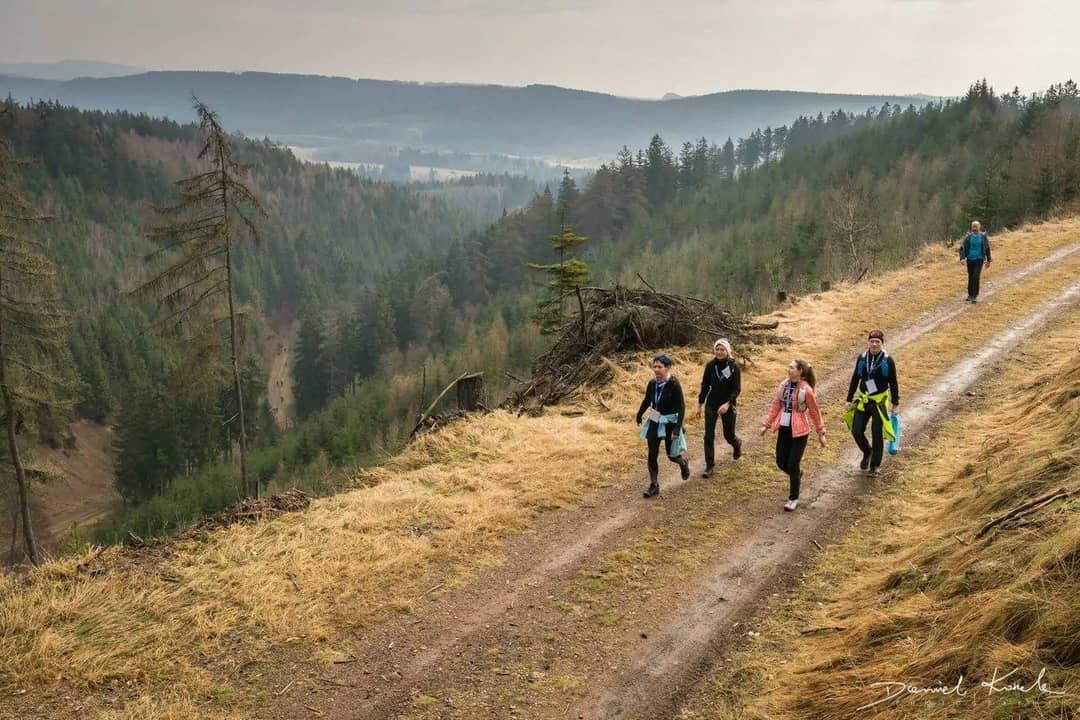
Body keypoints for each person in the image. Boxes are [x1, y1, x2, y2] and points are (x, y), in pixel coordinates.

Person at [760, 359, 826, 511]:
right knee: (780, 461)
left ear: (800, 371)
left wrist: (821, 432)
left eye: (792, 367)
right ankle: (796, 474)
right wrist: (766, 424)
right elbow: (776, 405)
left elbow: (814, 412)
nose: (788, 370)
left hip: (800, 431)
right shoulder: (784, 385)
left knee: (792, 463)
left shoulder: (806, 390)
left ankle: (793, 498)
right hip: (784, 428)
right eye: (789, 367)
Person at [845, 329, 900, 475]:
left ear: (882, 343)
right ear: (868, 342)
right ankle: (867, 451)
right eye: (872, 341)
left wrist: (895, 403)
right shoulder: (862, 358)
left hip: (879, 401)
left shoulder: (887, 361)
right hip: (864, 399)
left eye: (877, 342)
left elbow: (893, 382)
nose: (874, 344)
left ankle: (875, 466)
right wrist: (849, 399)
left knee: (876, 433)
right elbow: (855, 378)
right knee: (856, 430)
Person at [635, 354, 690, 498]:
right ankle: (654, 485)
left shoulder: (674, 384)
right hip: (655, 417)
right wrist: (639, 414)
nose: (656, 370)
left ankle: (683, 463)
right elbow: (647, 400)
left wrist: (677, 428)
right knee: (652, 453)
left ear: (667, 368)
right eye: (654, 367)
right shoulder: (652, 383)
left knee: (671, 455)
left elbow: (681, 407)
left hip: (670, 420)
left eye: (659, 367)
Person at [695, 338, 742, 477]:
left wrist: (727, 404)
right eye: (717, 349)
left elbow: (737, 389)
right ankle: (709, 466)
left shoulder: (734, 367)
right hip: (712, 403)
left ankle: (736, 444)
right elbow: (705, 385)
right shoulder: (710, 366)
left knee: (728, 435)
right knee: (708, 435)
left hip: (728, 403)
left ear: (727, 351)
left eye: (722, 350)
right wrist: (700, 405)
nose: (719, 352)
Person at [959, 220, 992, 303]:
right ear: (971, 227)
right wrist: (962, 258)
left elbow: (987, 248)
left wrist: (988, 260)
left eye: (976, 226)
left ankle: (974, 295)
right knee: (970, 276)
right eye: (973, 226)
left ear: (979, 227)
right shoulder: (968, 237)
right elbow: (962, 248)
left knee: (976, 276)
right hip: (970, 259)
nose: (974, 228)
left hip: (979, 259)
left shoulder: (983, 237)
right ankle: (970, 295)